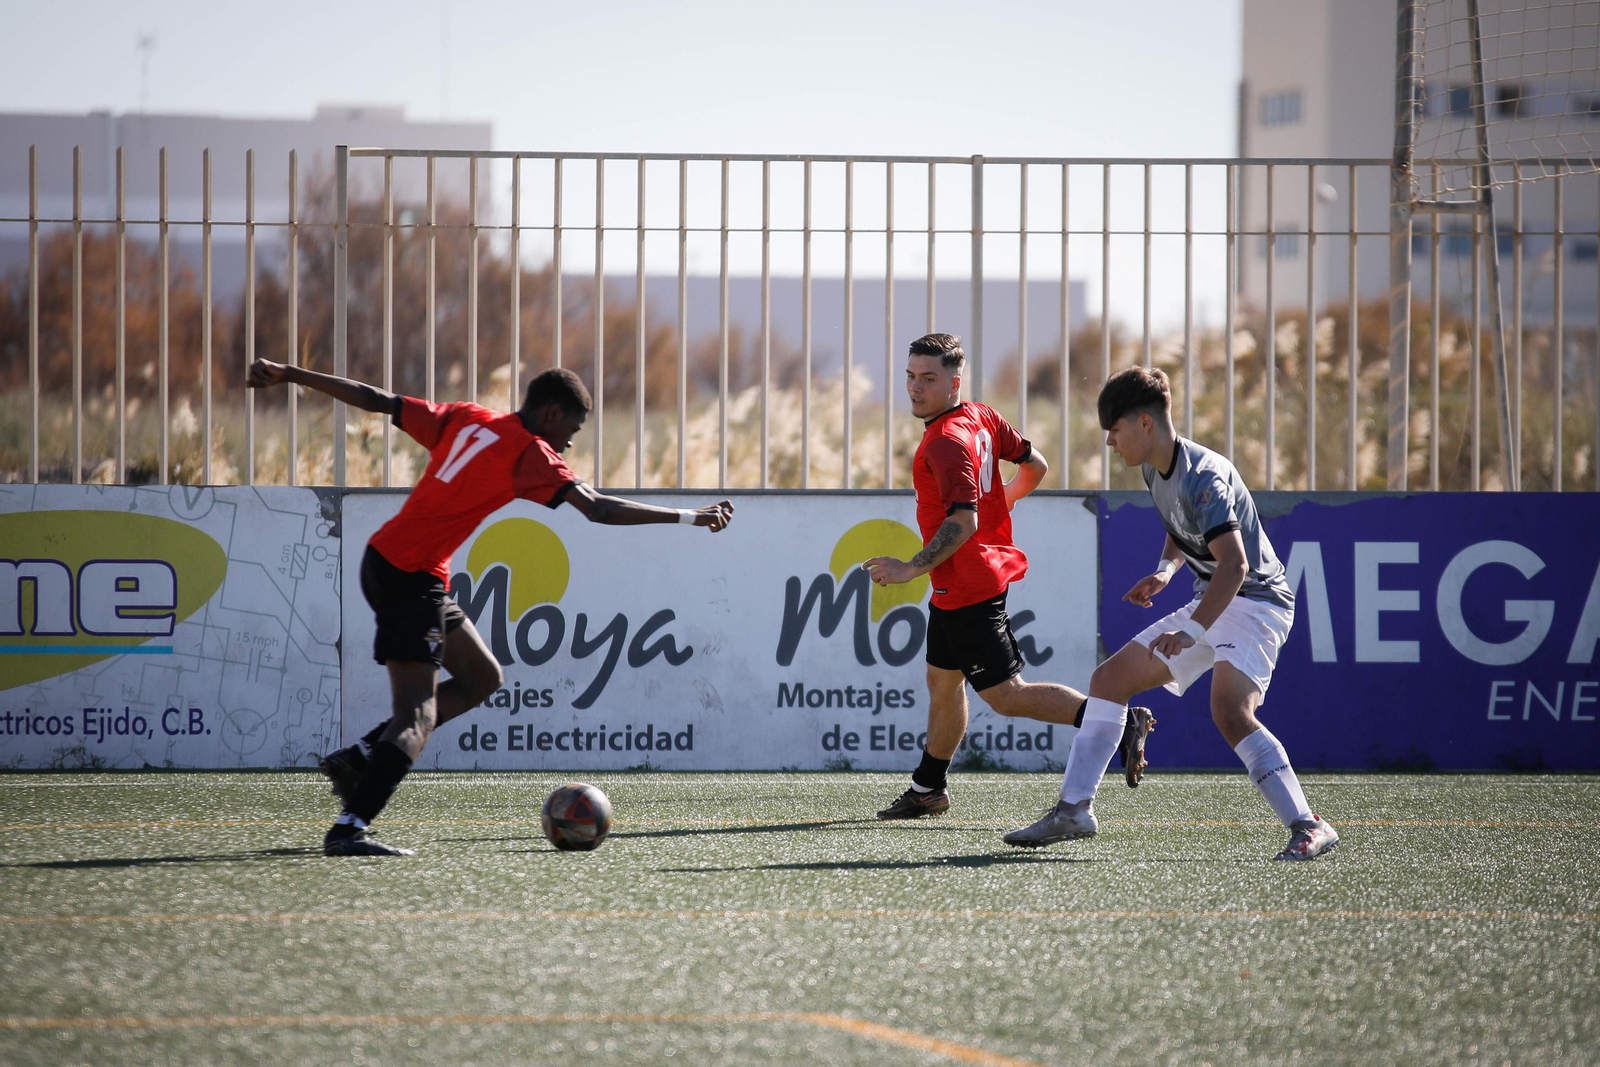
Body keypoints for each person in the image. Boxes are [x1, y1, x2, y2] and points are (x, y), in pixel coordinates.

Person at [246, 358, 733, 856]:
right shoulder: (532, 453)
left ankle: (363, 754)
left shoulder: (466, 416)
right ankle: (349, 827)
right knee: (416, 716)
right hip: (411, 574)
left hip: (391, 561)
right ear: (550, 414)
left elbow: (377, 399)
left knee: (482, 678)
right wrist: (691, 517)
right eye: (572, 427)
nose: (570, 442)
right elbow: (599, 509)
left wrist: (290, 373)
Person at [1003, 366, 1338, 860]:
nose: (1111, 443)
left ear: (1144, 423)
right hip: (1215, 596)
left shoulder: (1205, 477)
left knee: (1229, 711)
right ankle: (1073, 809)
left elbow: (1235, 564)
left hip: (1256, 600)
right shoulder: (1154, 466)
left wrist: (1192, 630)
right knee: (1109, 681)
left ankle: (1309, 825)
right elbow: (1182, 526)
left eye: (1115, 431)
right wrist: (1164, 570)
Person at [863, 333, 1154, 820]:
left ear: (954, 383)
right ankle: (928, 787)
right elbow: (1035, 465)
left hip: (968, 585)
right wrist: (1004, 499)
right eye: (911, 377)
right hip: (961, 581)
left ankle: (1116, 722)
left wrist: (909, 567)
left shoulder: (946, 442)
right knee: (941, 680)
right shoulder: (979, 416)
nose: (915, 388)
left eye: (928, 379)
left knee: (1006, 696)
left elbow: (963, 521)